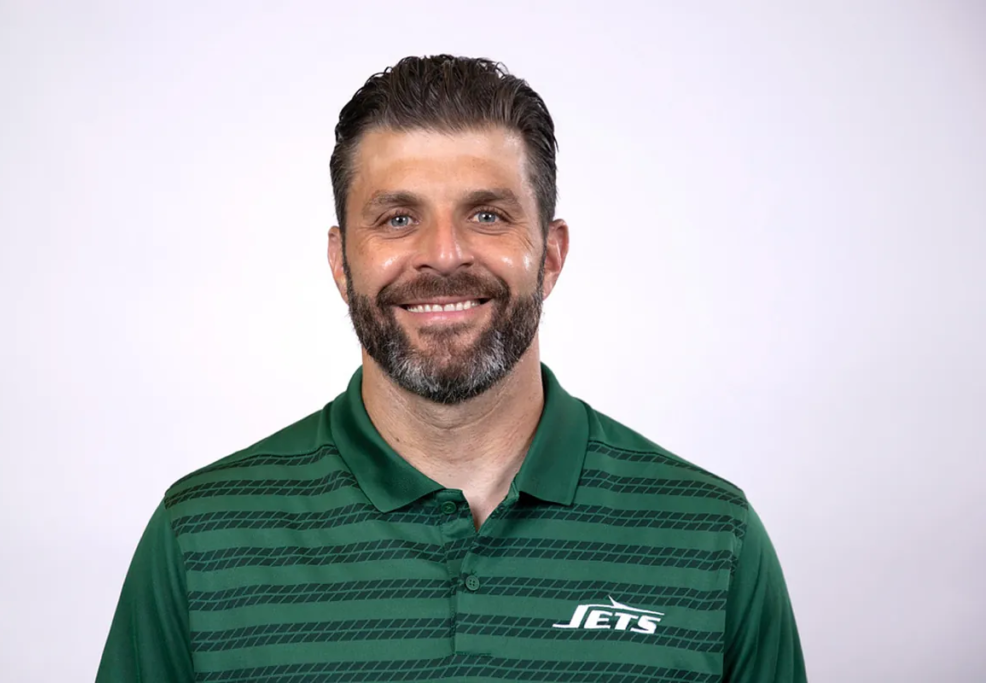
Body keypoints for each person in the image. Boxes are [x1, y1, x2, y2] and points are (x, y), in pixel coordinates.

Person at [97, 54, 806, 682]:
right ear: (341, 263)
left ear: (551, 256)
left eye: (488, 215)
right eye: (398, 219)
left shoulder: (711, 538)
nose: (443, 255)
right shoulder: (202, 537)